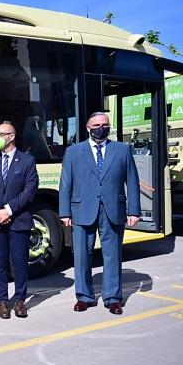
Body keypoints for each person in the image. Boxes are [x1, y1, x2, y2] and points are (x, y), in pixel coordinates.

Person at [59, 112, 141, 315]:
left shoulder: (122, 150)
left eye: (105, 124)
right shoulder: (74, 152)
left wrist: (134, 210)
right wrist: (64, 212)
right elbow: (66, 183)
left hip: (113, 210)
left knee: (112, 255)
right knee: (81, 256)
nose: (101, 127)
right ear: (88, 127)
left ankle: (113, 298)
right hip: (82, 210)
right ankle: (84, 297)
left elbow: (131, 181)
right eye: (97, 124)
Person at [0, 122, 38, 319]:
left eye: (0, 134)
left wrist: (9, 210)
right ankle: (2, 301)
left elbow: (29, 191)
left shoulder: (27, 161)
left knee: (19, 262)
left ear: (11, 136)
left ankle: (20, 300)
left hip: (18, 219)